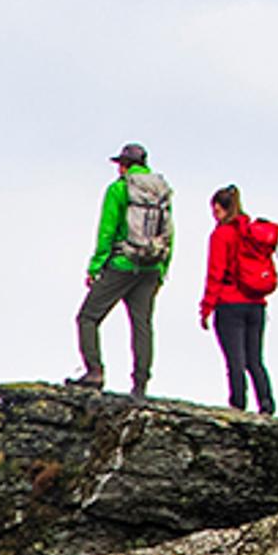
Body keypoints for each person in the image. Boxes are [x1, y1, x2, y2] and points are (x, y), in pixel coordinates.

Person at [73, 142, 174, 396]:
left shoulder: (119, 189)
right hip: (151, 266)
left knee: (88, 317)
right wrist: (163, 268)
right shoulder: (161, 191)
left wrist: (95, 266)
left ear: (124, 165)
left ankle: (94, 371)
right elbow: (169, 234)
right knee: (142, 325)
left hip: (122, 264)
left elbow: (107, 230)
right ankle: (140, 384)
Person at [200, 184, 276, 414]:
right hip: (256, 304)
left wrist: (206, 307)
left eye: (215, 211)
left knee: (234, 359)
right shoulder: (252, 234)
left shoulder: (221, 235)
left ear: (219, 208)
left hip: (230, 304)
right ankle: (266, 402)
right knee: (254, 359)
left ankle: (237, 405)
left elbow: (215, 273)